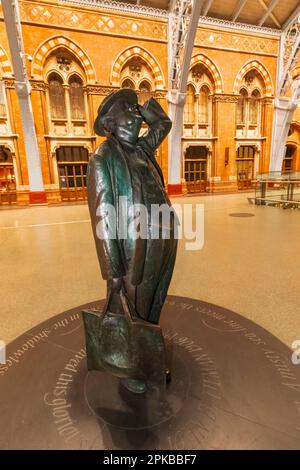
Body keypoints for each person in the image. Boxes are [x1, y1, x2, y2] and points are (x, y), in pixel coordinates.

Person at [87, 89, 177, 326]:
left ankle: (148, 340)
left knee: (156, 294)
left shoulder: (141, 148)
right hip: (135, 246)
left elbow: (163, 124)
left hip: (163, 234)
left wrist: (147, 108)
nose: (134, 111)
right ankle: (137, 352)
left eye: (134, 107)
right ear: (111, 123)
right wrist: (113, 271)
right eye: (127, 108)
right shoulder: (103, 157)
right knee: (137, 304)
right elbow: (102, 216)